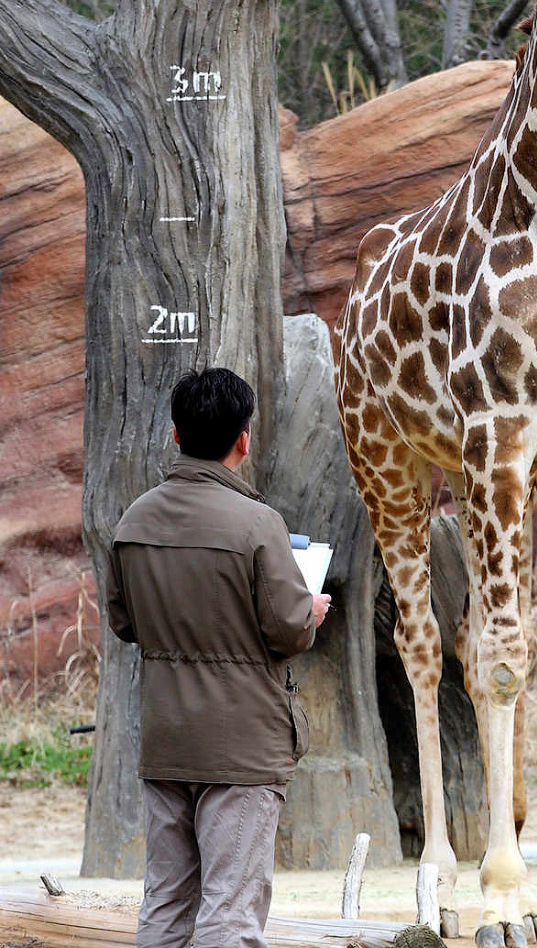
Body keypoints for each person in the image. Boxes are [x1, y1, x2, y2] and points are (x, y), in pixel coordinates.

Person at [107, 367, 330, 948]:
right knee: (230, 912)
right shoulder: (260, 524)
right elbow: (288, 632)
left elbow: (124, 622)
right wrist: (311, 611)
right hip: (243, 745)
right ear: (244, 440)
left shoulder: (134, 521)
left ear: (176, 436)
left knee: (165, 902)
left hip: (167, 739)